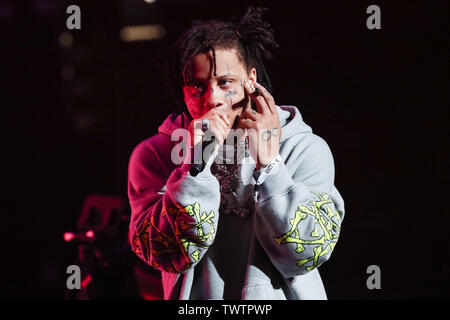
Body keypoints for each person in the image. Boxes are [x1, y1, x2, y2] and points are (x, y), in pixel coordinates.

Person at [128, 7, 345, 300]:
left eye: (225, 82)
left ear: (251, 79)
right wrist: (195, 165)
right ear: (183, 90)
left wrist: (270, 165)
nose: (212, 99)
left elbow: (306, 253)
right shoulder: (155, 154)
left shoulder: (303, 148)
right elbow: (166, 255)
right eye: (197, 86)